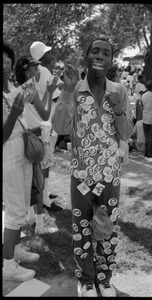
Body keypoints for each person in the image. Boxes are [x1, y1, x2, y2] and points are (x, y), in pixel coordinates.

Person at [52, 38, 134, 297]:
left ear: (111, 60)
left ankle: (104, 278)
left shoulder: (119, 90)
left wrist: (119, 109)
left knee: (107, 228)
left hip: (110, 174)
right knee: (82, 227)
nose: (100, 56)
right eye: (95, 51)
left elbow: (127, 133)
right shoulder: (74, 89)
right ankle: (86, 279)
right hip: (82, 176)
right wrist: (66, 91)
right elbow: (60, 128)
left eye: (106, 53)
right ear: (86, 56)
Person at [3, 42, 39, 281]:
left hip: (22, 147)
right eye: (1, 62)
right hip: (8, 151)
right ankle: (8, 267)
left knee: (23, 204)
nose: (5, 65)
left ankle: (15, 251)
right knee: (15, 210)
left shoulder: (9, 86)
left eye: (8, 61)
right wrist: (15, 112)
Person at [15, 56, 61, 234]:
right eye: (35, 69)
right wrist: (50, 91)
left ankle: (32, 218)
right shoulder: (31, 88)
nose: (39, 71)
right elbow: (45, 115)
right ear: (27, 72)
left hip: (24, 137)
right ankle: (39, 225)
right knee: (38, 181)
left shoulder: (20, 88)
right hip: (34, 137)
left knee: (31, 181)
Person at [30, 41, 62, 211]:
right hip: (44, 123)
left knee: (43, 163)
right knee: (45, 163)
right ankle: (44, 199)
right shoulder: (44, 71)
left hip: (36, 122)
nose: (51, 55)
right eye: (48, 53)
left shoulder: (35, 71)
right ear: (42, 56)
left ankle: (45, 194)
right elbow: (55, 96)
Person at [141, 80, 152, 161]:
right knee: (151, 136)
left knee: (147, 136)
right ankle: (150, 153)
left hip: (145, 115)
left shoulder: (144, 95)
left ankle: (146, 152)